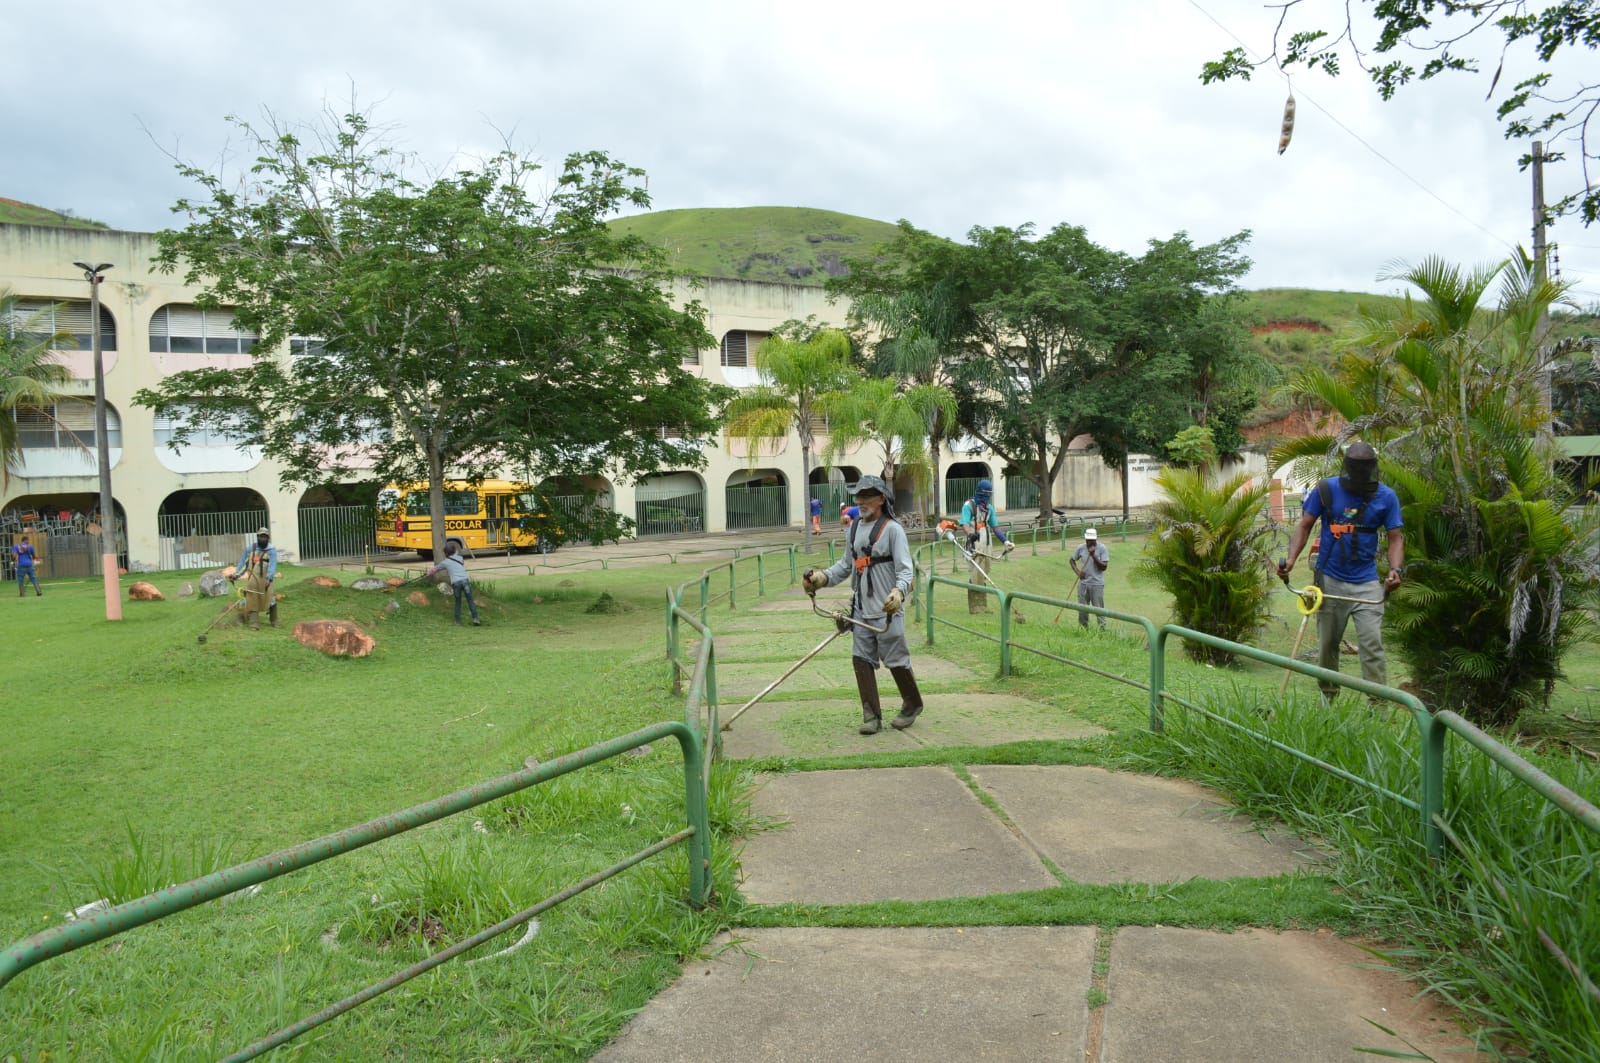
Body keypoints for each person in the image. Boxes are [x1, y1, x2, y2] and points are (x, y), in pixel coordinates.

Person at [1280, 441, 1405, 700]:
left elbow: (1395, 537)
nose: (1359, 474)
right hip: (1330, 580)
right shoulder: (1326, 489)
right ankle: (1328, 700)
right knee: (1327, 646)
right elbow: (1304, 526)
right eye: (1355, 468)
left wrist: (1396, 570)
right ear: (1347, 466)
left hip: (1367, 583)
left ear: (1372, 468)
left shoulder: (1386, 496)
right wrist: (1291, 560)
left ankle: (1377, 707)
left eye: (1364, 468)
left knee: (1372, 646)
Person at [802, 475, 923, 735]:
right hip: (861, 609)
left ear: (881, 499)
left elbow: (906, 571)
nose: (861, 501)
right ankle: (871, 716)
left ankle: (912, 704)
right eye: (859, 496)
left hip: (887, 609)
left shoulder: (893, 530)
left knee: (896, 659)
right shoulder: (855, 528)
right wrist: (822, 578)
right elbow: (846, 565)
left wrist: (898, 593)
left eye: (867, 496)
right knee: (861, 660)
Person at [958, 478, 1014, 614]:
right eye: (985, 493)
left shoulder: (989, 508)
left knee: (985, 571)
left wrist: (1005, 541)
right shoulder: (969, 505)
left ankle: (983, 605)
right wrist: (970, 534)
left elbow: (995, 527)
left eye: (989, 494)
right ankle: (975, 606)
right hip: (974, 541)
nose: (986, 497)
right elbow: (964, 523)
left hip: (986, 541)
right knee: (976, 572)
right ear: (979, 492)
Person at [229, 526, 278, 630]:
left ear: (268, 538)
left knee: (271, 600)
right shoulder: (250, 549)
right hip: (253, 580)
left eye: (265, 536)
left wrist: (269, 579)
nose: (263, 538)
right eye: (261, 536)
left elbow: (272, 565)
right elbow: (243, 564)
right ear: (257, 537)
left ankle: (275, 621)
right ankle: (254, 624)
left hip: (266, 581)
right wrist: (235, 575)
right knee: (252, 600)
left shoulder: (271, 550)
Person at [429, 542, 481, 626]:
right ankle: (475, 619)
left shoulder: (445, 562)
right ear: (454, 551)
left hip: (456, 582)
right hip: (465, 581)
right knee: (470, 600)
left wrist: (428, 573)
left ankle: (457, 622)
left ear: (446, 553)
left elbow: (435, 569)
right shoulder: (460, 558)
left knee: (458, 602)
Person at [1069, 528, 1110, 628]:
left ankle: (1102, 631)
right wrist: (1078, 572)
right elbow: (1072, 560)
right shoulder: (1081, 548)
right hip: (1083, 584)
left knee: (1099, 610)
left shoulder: (1102, 548)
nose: (1089, 542)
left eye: (1092, 540)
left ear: (1095, 539)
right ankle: (1083, 629)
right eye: (1088, 540)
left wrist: (1093, 556)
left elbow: (1104, 567)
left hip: (1097, 584)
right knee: (1082, 609)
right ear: (1085, 538)